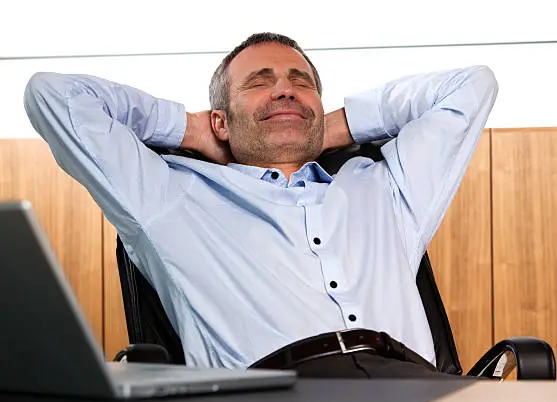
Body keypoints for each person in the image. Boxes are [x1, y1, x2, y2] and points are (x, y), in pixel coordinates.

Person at [24, 32, 498, 379]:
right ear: (221, 121)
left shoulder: (388, 188)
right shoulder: (168, 196)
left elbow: (471, 86)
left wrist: (335, 128)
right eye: (259, 83)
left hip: (413, 389)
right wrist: (189, 130)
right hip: (269, 395)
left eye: (300, 82)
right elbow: (53, 95)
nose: (285, 89)